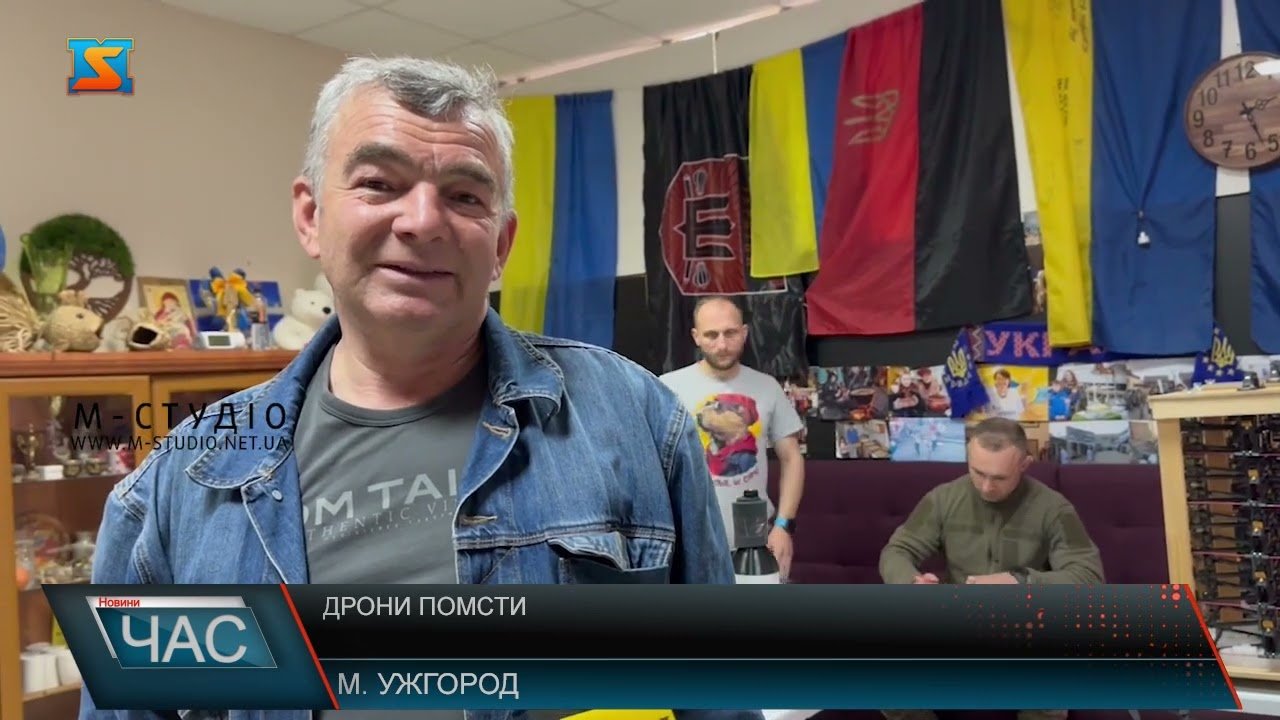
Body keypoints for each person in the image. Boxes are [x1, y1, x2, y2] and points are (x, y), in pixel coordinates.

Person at [81, 56, 761, 720]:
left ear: (501, 245)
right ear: (311, 216)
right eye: (380, 183)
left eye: (465, 196)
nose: (423, 221)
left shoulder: (638, 421)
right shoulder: (177, 486)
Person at [877, 417, 1104, 720]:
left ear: (1024, 464)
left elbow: (1089, 579)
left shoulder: (1054, 509)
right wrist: (911, 582)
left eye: (999, 478)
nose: (986, 487)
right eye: (978, 472)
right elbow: (896, 551)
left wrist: (1020, 582)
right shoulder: (943, 498)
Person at [659, 296, 806, 578]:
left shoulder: (767, 387)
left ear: (745, 333)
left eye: (730, 333)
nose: (722, 345)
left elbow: (791, 458)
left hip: (756, 541)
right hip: (688, 543)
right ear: (696, 337)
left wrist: (783, 526)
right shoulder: (668, 388)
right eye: (711, 335)